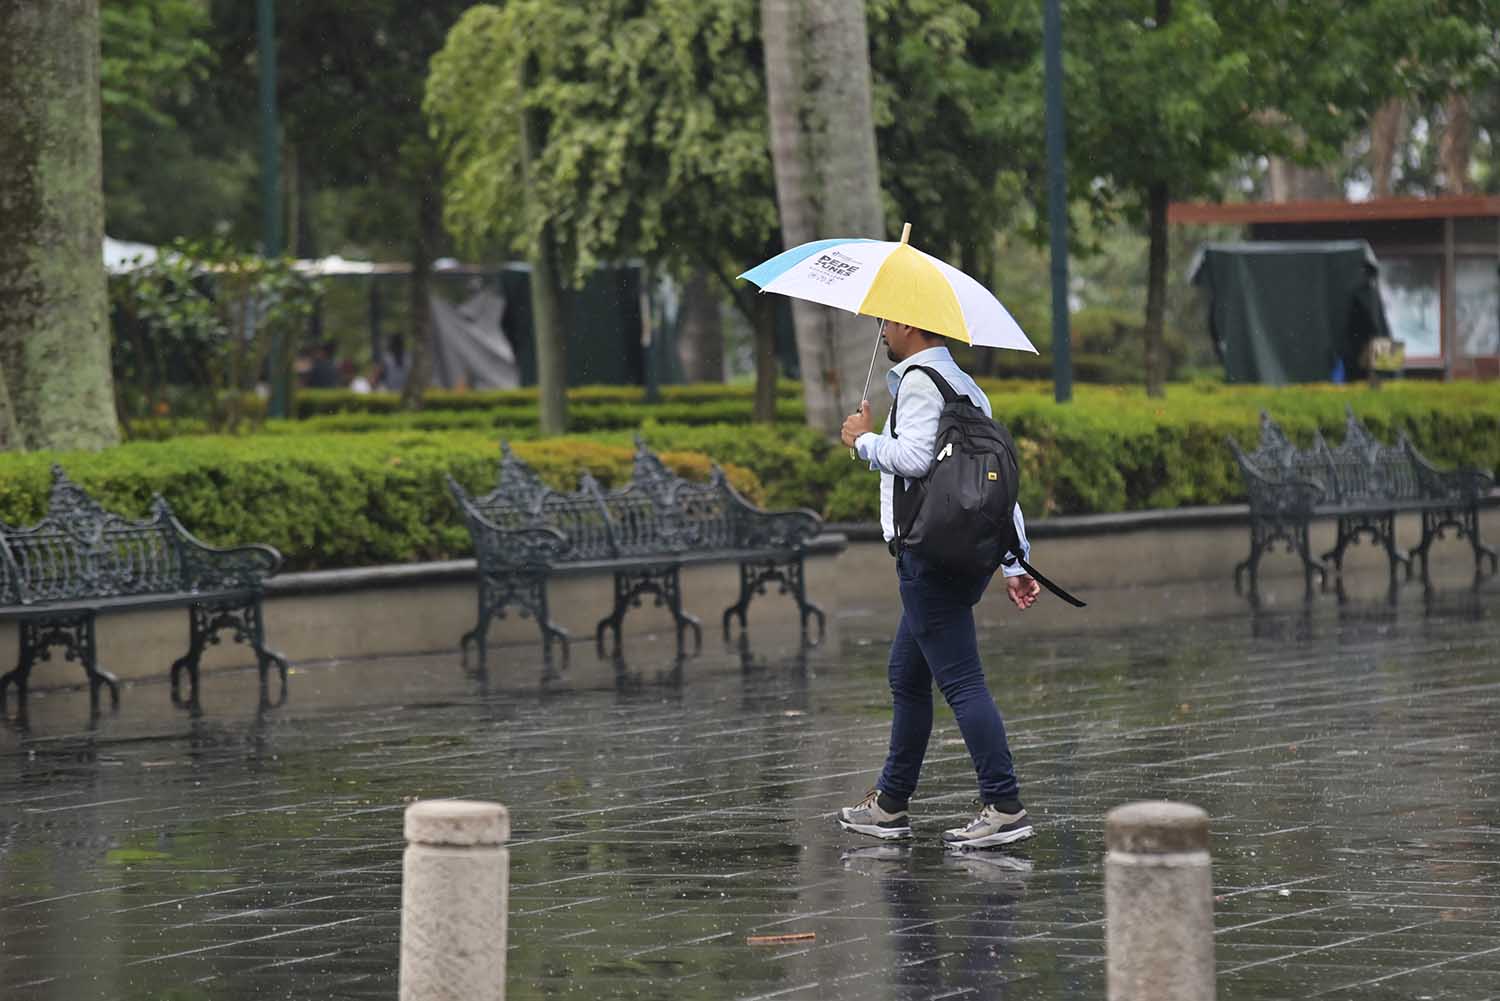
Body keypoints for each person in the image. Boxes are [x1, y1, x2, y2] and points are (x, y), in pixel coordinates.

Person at [836, 321, 1041, 849]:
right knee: (905, 674)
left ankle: (1004, 804)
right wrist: (1016, 559)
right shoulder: (967, 387)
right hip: (959, 554)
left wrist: (863, 441)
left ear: (907, 324)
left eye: (886, 323)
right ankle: (889, 803)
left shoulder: (922, 384)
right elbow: (997, 484)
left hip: (928, 554)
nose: (882, 332)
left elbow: (914, 460)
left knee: (961, 681)